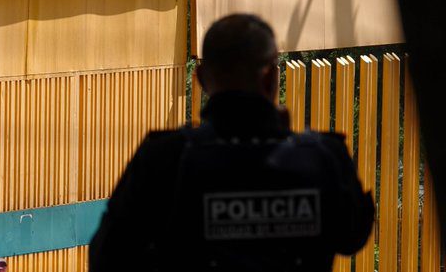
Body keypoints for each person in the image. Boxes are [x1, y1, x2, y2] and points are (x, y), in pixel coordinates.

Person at [89, 14, 374, 272]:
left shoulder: (165, 158)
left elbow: (108, 258)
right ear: (271, 77)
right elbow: (352, 236)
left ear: (201, 79)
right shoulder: (323, 157)